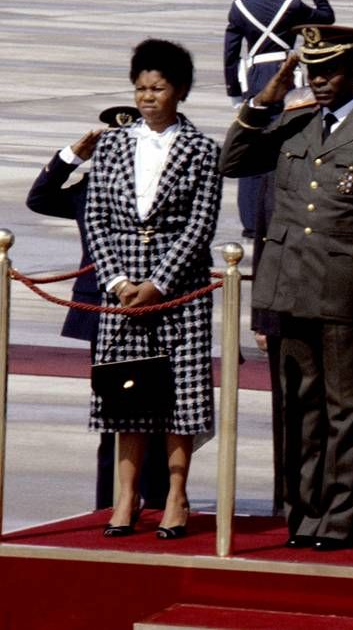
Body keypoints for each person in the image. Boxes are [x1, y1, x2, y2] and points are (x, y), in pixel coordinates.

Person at [220, 25, 353, 551]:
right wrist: (265, 99)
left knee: (343, 409)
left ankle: (341, 519)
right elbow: (233, 160)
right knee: (299, 408)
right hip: (288, 286)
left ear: (352, 71)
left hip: (342, 290)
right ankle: (304, 515)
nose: (320, 81)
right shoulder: (293, 126)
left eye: (329, 71)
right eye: (313, 71)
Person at [85, 39, 222, 539]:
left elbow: (200, 224)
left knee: (177, 398)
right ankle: (126, 498)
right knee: (125, 395)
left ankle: (177, 496)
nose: (147, 97)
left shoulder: (203, 149)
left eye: (158, 88)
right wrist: (118, 280)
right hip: (119, 289)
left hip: (176, 288)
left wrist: (158, 283)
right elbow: (95, 216)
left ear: (179, 90)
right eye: (140, 88)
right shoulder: (114, 145)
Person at [26, 106, 171, 514]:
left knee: (157, 409)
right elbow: (38, 198)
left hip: (153, 307)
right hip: (103, 311)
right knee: (113, 415)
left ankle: (156, 498)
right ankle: (109, 503)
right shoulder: (87, 189)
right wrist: (71, 155)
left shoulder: (157, 185)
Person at [223, 0, 335, 239]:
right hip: (286, 78)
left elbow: (230, 53)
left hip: (256, 78)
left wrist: (234, 91)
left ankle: (250, 219)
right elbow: (327, 17)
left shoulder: (239, 7)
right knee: (285, 144)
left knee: (250, 143)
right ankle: (281, 210)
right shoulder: (293, 6)